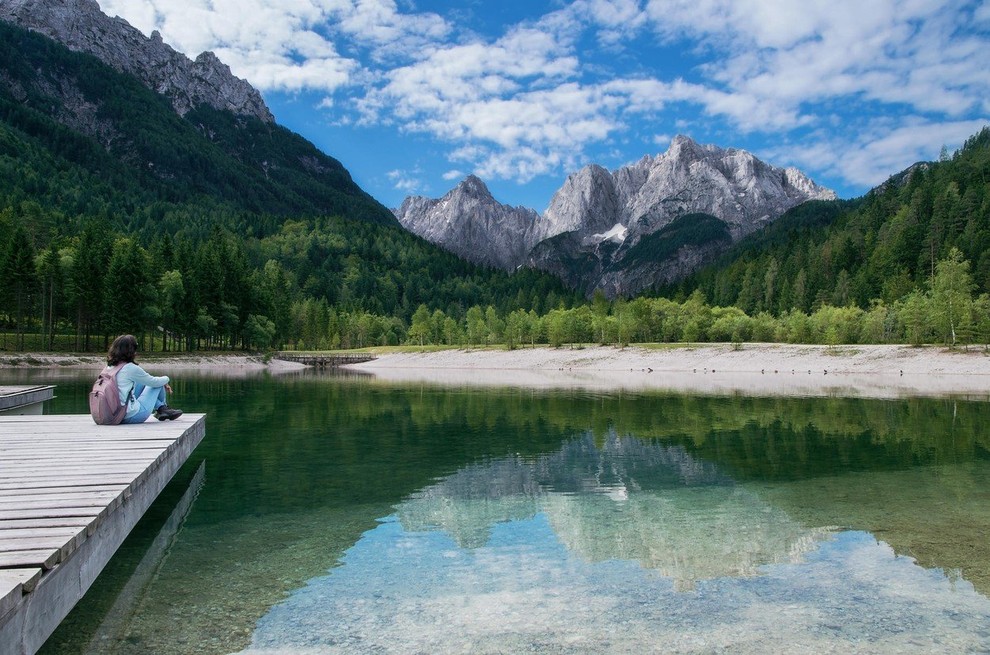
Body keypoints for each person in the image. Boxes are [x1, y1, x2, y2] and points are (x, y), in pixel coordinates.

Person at [106, 334, 183, 423]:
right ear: (131, 351)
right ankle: (163, 409)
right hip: (131, 416)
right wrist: (166, 379)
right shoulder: (130, 368)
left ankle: (162, 409)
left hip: (113, 415)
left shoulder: (109, 367)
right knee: (157, 384)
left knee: (141, 383)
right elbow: (154, 382)